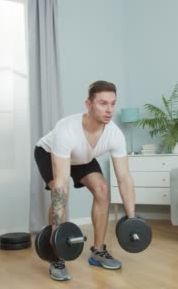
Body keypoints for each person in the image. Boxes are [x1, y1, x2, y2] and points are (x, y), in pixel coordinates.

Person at [34, 80, 136, 281]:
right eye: (103, 103)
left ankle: (98, 252)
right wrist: (56, 235)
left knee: (102, 189)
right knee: (58, 188)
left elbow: (124, 178)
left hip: (83, 156)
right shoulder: (66, 129)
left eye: (113, 103)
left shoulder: (115, 134)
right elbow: (62, 184)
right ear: (88, 105)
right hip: (49, 153)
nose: (109, 110)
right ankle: (56, 257)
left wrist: (132, 220)